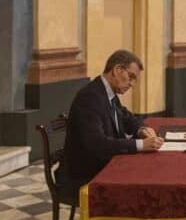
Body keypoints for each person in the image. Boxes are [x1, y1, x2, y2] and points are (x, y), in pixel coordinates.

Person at [62, 49, 164, 186]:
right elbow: (97, 143)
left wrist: (142, 129)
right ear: (117, 70)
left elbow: (127, 118)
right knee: (146, 177)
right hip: (84, 174)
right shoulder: (90, 97)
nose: (132, 84)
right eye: (131, 77)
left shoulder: (108, 94)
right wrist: (140, 145)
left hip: (100, 164)